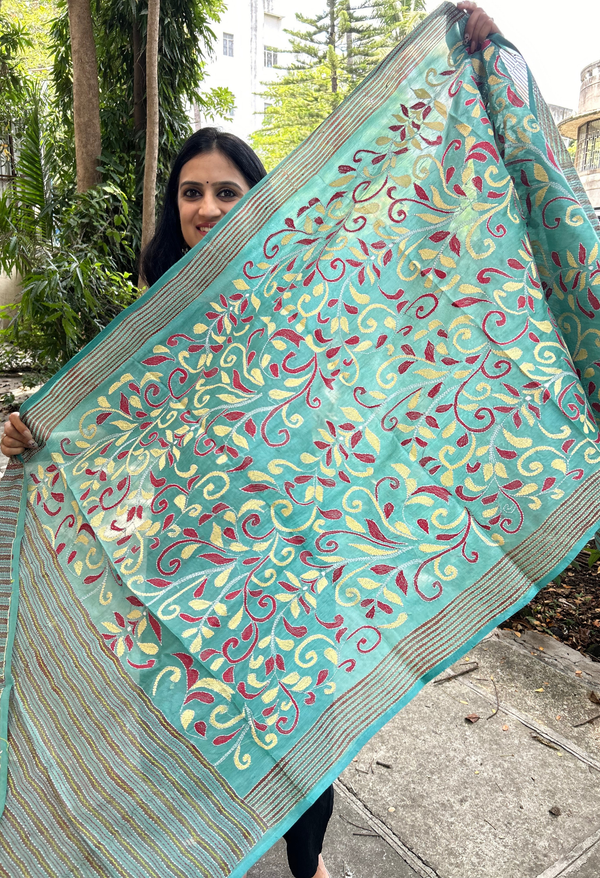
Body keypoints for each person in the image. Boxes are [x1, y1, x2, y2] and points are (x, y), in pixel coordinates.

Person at [0, 6, 501, 876]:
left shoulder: (306, 292)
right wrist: (33, 432)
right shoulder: (154, 311)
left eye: (226, 190)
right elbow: (109, 422)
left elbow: (404, 230)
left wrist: (460, 55)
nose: (205, 205)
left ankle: (306, 870)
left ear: (257, 199)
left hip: (291, 548)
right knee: (178, 720)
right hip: (183, 548)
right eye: (190, 191)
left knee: (302, 731)